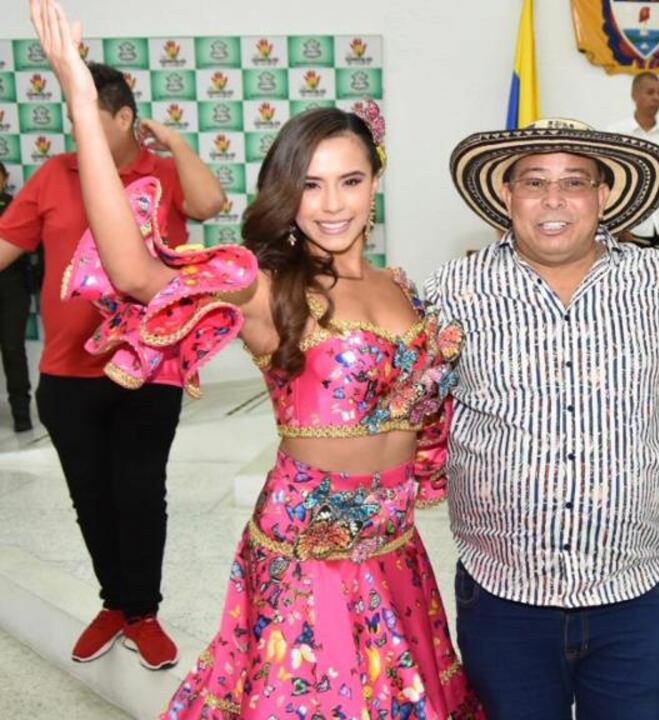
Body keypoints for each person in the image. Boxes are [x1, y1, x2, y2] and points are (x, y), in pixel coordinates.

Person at [28, 2, 483, 716]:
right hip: (308, 556)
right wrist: (84, 108)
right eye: (309, 184)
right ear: (286, 190)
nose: (331, 204)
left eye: (350, 180)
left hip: (397, 550)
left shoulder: (400, 288)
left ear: (375, 180)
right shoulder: (266, 282)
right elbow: (134, 272)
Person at [433, 117, 659, 718]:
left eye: (574, 182)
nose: (554, 200)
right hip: (503, 597)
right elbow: (396, 395)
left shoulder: (654, 283)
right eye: (534, 182)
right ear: (507, 196)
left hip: (632, 596)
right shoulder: (455, 290)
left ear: (603, 196)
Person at [0, 55, 226, 667]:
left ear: (125, 117)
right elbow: (6, 245)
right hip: (66, 374)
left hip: (149, 370)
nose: (79, 129)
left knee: (139, 491)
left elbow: (211, 204)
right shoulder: (53, 174)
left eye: (89, 115)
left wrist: (175, 142)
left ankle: (144, 612)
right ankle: (114, 604)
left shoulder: (162, 171)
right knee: (91, 496)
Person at [608, 72, 659, 245]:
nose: (657, 98)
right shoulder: (617, 133)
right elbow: (609, 181)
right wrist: (617, 224)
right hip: (629, 226)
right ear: (634, 95)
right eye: (650, 92)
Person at [0, 160, 34, 432]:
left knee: (13, 350)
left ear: (5, 178)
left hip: (12, 288)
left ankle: (22, 415)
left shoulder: (17, 207)